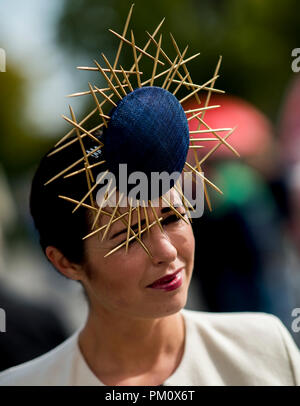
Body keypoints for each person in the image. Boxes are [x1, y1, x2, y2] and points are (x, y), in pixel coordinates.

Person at [1, 6, 300, 385]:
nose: (166, 251)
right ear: (65, 263)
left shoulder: (264, 349)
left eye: (172, 217)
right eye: (127, 236)